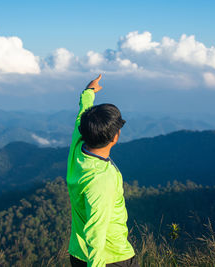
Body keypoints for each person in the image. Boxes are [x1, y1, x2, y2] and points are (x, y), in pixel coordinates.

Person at [66, 74, 139, 267]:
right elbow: (96, 230)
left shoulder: (78, 148)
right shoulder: (101, 178)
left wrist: (88, 92)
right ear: (115, 137)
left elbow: (82, 113)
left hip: (79, 253)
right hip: (109, 258)